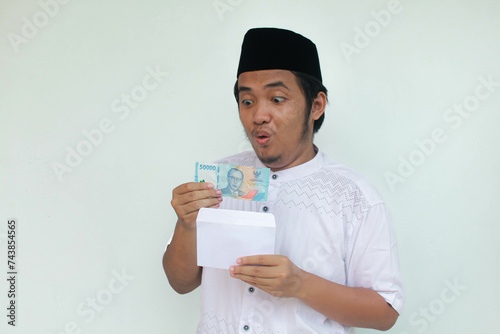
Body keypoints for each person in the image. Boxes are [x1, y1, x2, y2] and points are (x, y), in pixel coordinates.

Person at [163, 27, 404, 333]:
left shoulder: (354, 197)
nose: (259, 115)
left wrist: (300, 284)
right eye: (247, 101)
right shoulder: (218, 181)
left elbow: (385, 312)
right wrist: (186, 225)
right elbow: (180, 282)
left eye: (277, 99)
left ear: (316, 105)